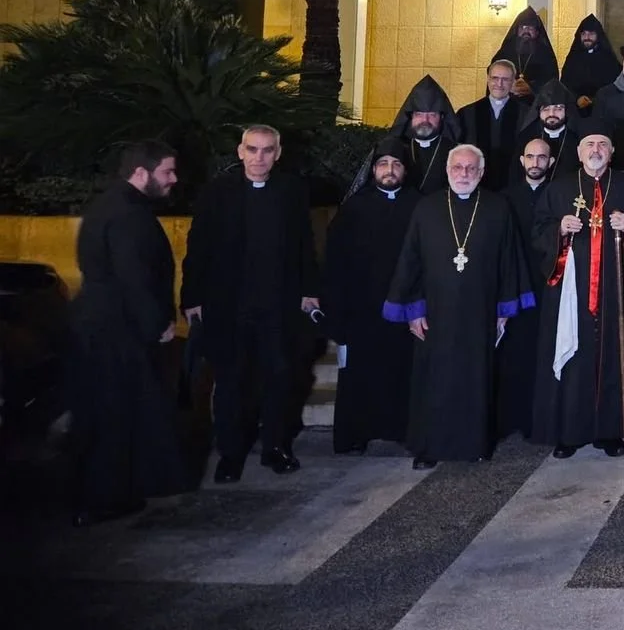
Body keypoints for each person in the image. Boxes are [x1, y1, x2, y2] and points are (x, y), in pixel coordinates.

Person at [182, 125, 317, 483]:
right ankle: (230, 453)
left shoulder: (291, 190)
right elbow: (198, 249)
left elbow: (304, 244)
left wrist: (308, 290)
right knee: (230, 381)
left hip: (278, 305)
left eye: (267, 150)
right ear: (240, 152)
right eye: (253, 150)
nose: (260, 158)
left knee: (279, 377)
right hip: (228, 305)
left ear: (278, 152)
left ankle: (275, 446)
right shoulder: (217, 192)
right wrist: (191, 297)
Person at [383, 144, 530, 469]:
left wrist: (504, 310)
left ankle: (474, 443)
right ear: (448, 171)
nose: (464, 174)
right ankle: (428, 446)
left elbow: (509, 260)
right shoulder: (427, 208)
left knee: (476, 378)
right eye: (457, 168)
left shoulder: (497, 207)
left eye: (470, 169)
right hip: (436, 312)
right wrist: (413, 309)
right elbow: (411, 260)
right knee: (433, 378)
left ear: (481, 172)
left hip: (480, 311)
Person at [69, 140, 185, 525]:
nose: (173, 179)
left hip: (100, 325)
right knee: (115, 415)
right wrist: (158, 325)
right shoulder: (128, 216)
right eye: (167, 171)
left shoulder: (108, 206)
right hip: (119, 330)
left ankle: (98, 495)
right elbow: (134, 277)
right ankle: (105, 499)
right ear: (141, 173)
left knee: (102, 413)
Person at [529, 119, 624, 458]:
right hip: (570, 291)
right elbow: (537, 232)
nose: (596, 151)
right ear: (579, 152)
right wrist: (559, 230)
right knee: (574, 355)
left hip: (615, 288)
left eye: (602, 145)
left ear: (611, 152)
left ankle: (611, 432)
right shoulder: (559, 188)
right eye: (590, 145)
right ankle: (568, 432)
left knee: (613, 354)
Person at [323, 139, 419, 455]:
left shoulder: (419, 206)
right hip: (361, 309)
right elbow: (335, 263)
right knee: (360, 376)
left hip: (405, 308)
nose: (389, 171)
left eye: (396, 164)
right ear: (373, 169)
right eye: (383, 164)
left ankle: (403, 430)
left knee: (403, 372)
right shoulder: (352, 210)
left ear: (405, 169)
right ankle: (357, 434)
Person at [496, 135, 555, 439]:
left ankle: (541, 422)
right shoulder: (505, 198)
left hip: (548, 286)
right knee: (514, 355)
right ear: (521, 161)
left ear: (551, 162)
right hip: (515, 285)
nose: (535, 163)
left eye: (542, 157)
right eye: (530, 157)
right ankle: (512, 420)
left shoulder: (559, 195)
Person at [455, 60, 527, 191]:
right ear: (488, 79)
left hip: (513, 184)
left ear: (513, 83)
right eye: (495, 78)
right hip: (476, 184)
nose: (499, 84)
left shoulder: (525, 114)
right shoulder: (467, 113)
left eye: (505, 79)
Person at [388, 75, 459, 195]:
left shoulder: (456, 152)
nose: (425, 120)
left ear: (441, 117)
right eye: (419, 114)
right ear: (411, 117)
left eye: (431, 115)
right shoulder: (395, 149)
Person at [516, 79, 580, 178]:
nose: (551, 114)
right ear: (538, 111)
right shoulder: (525, 138)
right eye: (546, 109)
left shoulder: (578, 139)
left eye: (558, 109)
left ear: (567, 110)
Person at [559, 14, 621, 113]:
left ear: (598, 36)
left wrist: (594, 100)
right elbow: (565, 85)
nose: (587, 37)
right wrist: (577, 99)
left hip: (602, 111)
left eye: (591, 34)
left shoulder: (609, 60)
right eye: (584, 34)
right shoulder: (573, 58)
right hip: (576, 111)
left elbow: (614, 87)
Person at [493, 6, 559, 99]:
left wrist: (532, 88)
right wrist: (509, 84)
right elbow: (493, 72)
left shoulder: (545, 53)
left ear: (536, 32)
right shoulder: (507, 50)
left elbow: (552, 79)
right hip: (509, 102)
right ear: (517, 31)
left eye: (530, 28)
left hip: (534, 105)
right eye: (523, 27)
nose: (526, 31)